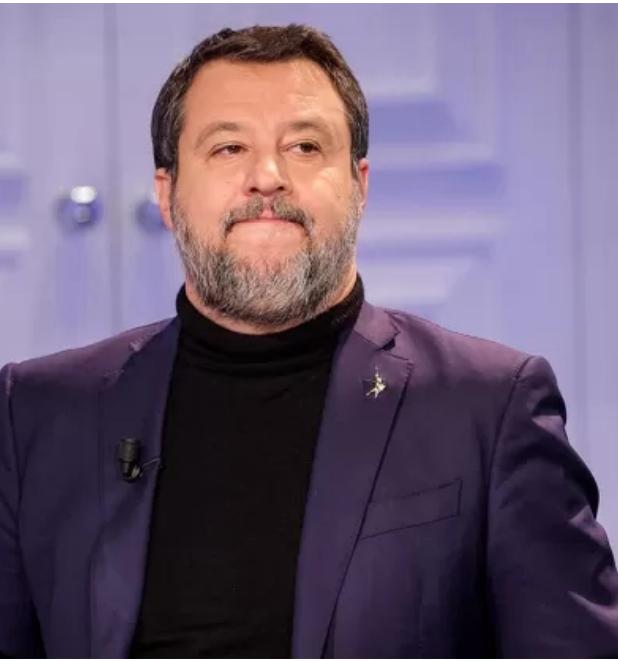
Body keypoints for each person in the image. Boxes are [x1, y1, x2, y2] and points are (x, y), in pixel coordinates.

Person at [1, 24, 617, 659]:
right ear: (167, 193)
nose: (267, 177)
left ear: (360, 184)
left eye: (303, 146)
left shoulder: (489, 406)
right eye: (228, 148)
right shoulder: (38, 414)